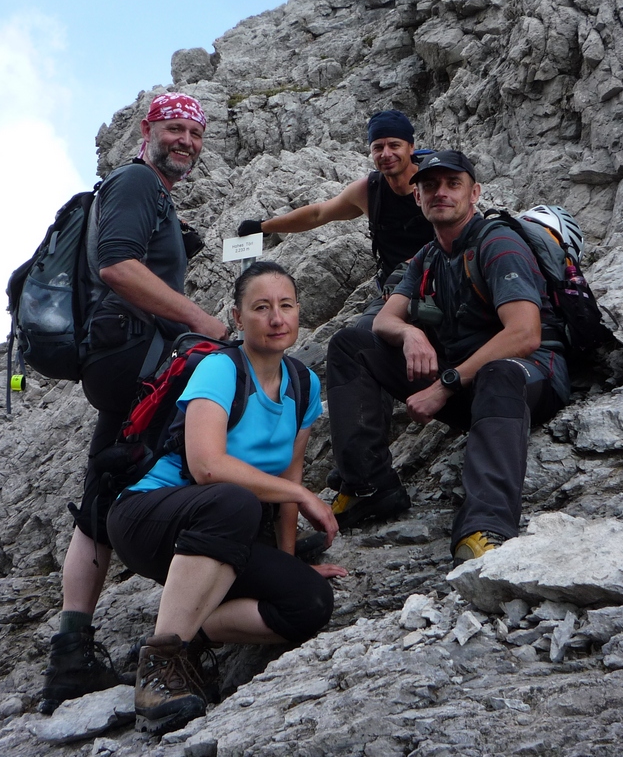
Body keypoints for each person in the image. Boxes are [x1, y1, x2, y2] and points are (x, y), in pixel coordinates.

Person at [39, 93, 229, 714]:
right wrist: (201, 321)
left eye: (195, 134)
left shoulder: (150, 194)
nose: (186, 141)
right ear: (147, 131)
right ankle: (230, 574)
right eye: (174, 128)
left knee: (103, 486)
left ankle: (70, 655)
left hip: (119, 357)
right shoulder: (136, 182)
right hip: (134, 355)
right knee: (220, 409)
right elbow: (118, 266)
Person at [107, 261, 347, 734]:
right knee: (234, 499)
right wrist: (299, 493)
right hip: (148, 517)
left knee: (309, 602)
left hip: (222, 533)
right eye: (261, 308)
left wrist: (287, 561)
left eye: (286, 306)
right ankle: (160, 667)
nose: (276, 319)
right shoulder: (220, 368)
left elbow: (289, 472)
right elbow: (207, 467)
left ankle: (190, 632)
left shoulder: (303, 385)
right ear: (238, 318)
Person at [324, 151, 571, 560]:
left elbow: (525, 334)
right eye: (430, 186)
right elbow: (384, 319)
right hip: (465, 387)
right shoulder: (428, 255)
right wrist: (409, 333)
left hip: (527, 381)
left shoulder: (498, 244)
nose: (441, 193)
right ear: (417, 197)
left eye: (453, 184)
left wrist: (444, 386)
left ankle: (487, 527)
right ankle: (368, 486)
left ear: (474, 194)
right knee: (352, 344)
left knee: (498, 372)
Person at [237, 110, 434, 326]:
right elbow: (317, 214)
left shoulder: (436, 184)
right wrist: (263, 227)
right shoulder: (369, 191)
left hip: (440, 281)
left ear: (411, 147)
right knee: (360, 336)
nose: (386, 154)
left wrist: (408, 268)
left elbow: (455, 239)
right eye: (378, 147)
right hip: (394, 293)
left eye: (394, 145)